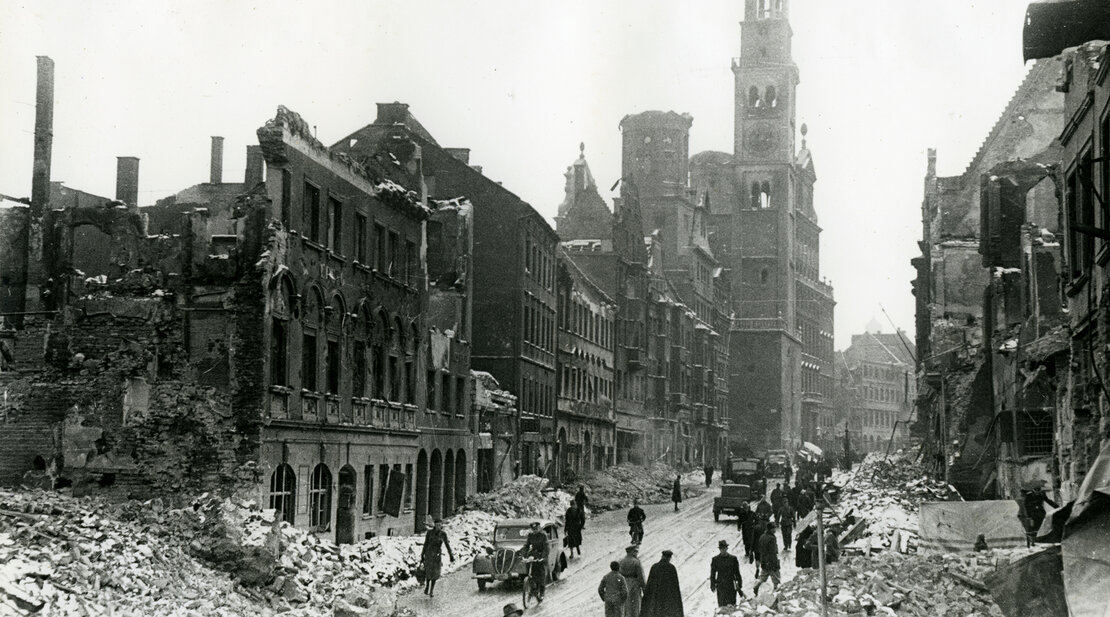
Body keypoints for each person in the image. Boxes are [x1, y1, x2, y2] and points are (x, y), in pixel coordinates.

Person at [642, 550, 684, 617]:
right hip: (667, 597)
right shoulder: (671, 568)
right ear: (669, 558)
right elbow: (675, 586)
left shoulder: (654, 567)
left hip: (656, 596)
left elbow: (649, 583)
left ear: (662, 556)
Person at [421, 519, 454, 597]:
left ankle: (432, 590)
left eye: (440, 525)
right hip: (429, 555)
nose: (438, 526)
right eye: (437, 525)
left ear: (441, 525)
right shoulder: (429, 533)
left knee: (435, 574)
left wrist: (451, 555)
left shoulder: (443, 534)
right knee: (428, 572)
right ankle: (427, 586)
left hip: (437, 556)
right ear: (434, 525)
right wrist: (422, 554)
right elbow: (425, 544)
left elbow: (447, 545)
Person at [710, 539, 744, 607]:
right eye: (721, 548)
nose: (723, 550)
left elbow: (737, 572)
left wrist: (739, 584)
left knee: (732, 604)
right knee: (722, 606)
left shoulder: (733, 559)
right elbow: (713, 574)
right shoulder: (715, 560)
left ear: (727, 548)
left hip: (730, 585)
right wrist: (712, 585)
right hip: (721, 586)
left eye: (724, 548)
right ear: (720, 549)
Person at [522, 520, 549, 601]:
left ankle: (542, 592)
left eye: (536, 529)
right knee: (530, 572)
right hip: (533, 554)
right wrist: (524, 555)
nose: (535, 530)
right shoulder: (530, 535)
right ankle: (531, 589)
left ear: (539, 528)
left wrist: (543, 557)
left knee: (541, 575)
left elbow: (546, 547)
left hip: (541, 556)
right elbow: (526, 546)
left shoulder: (543, 535)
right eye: (533, 529)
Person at [753, 523, 781, 594]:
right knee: (776, 577)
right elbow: (773, 551)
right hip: (771, 560)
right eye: (774, 528)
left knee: (763, 576)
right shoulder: (772, 538)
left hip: (764, 560)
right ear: (771, 529)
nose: (775, 529)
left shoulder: (762, 536)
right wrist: (775, 562)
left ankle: (757, 585)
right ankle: (775, 590)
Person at [619, 544, 646, 617]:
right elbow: (641, 577)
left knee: (625, 607)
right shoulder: (636, 562)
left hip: (623, 586)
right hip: (634, 586)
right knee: (634, 608)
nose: (637, 553)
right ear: (632, 552)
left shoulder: (620, 562)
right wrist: (645, 590)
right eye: (636, 552)